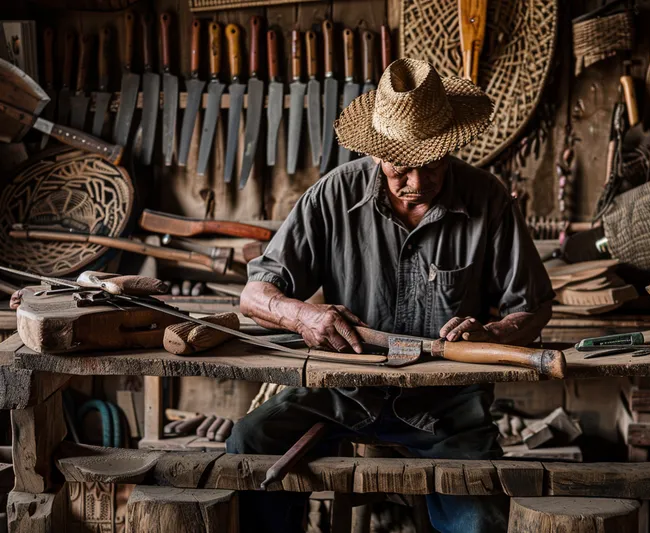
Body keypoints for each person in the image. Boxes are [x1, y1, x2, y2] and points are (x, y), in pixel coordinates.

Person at [228, 58, 554, 533]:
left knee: (480, 521)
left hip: (447, 407)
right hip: (343, 390)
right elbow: (254, 296)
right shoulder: (334, 195)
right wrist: (303, 316)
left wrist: (491, 332)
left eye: (430, 167)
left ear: (449, 149)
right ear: (377, 152)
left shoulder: (489, 199)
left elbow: (532, 306)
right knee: (249, 442)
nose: (416, 184)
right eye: (401, 169)